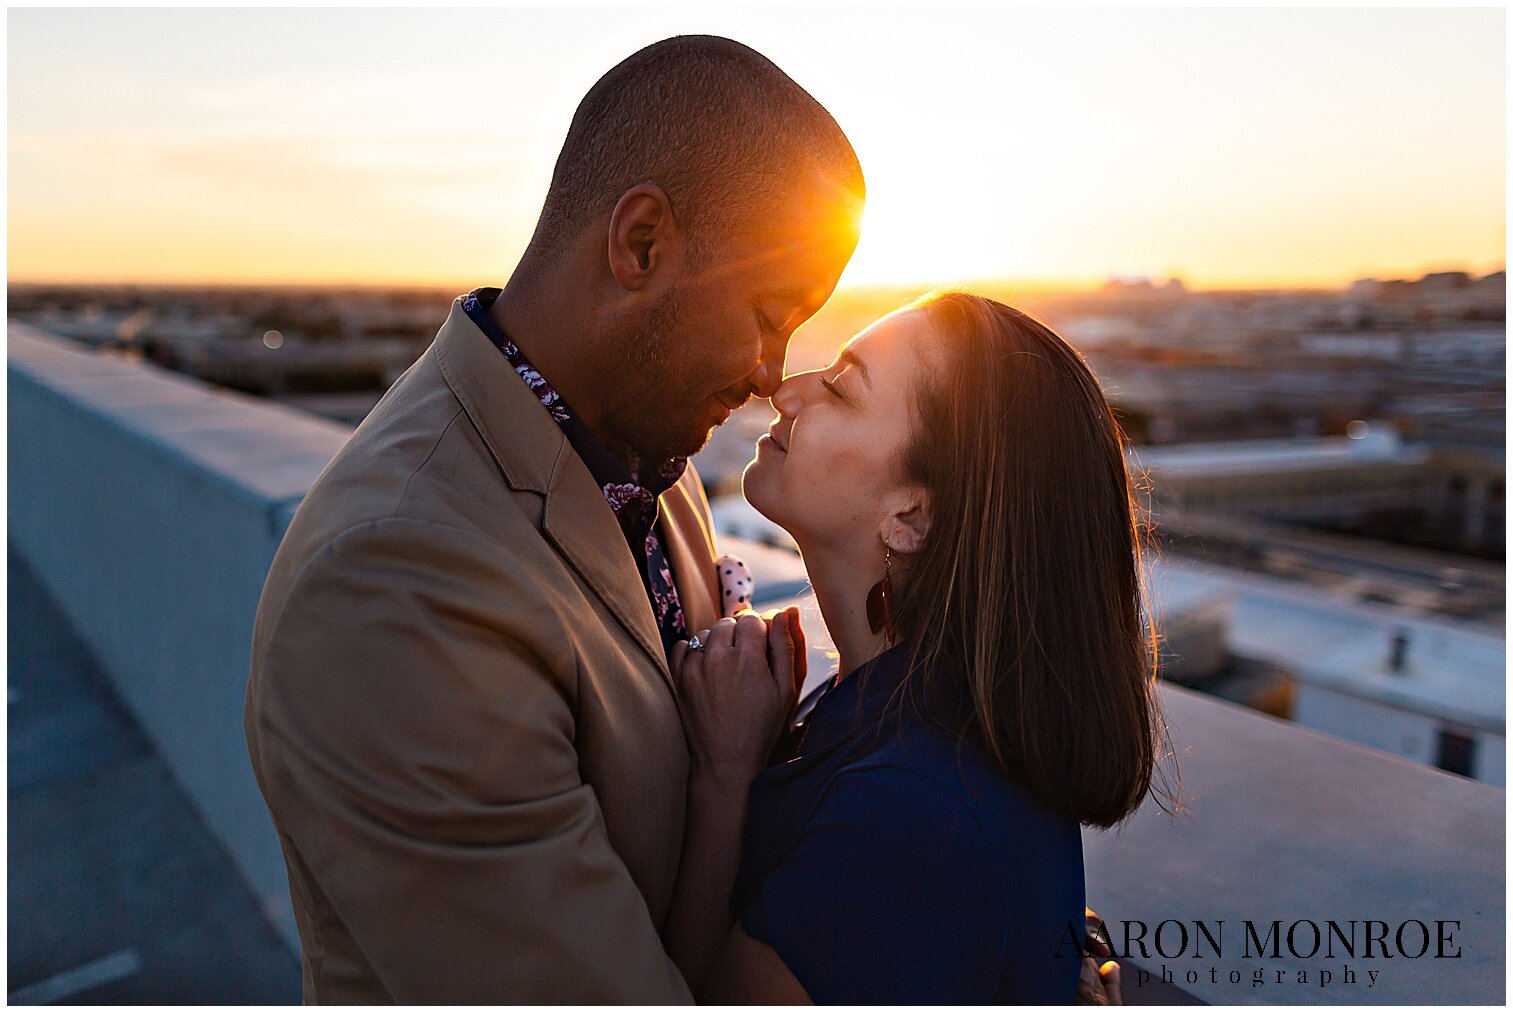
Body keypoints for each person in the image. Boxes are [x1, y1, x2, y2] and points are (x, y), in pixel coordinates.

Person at [243, 35, 863, 1002]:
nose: (771, 373)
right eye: (768, 312)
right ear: (641, 244)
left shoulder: (648, 452)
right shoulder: (395, 583)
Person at [661, 292, 1168, 1003]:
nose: (785, 389)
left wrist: (722, 778)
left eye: (839, 386)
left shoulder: (913, 813)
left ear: (911, 515)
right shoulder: (903, 710)